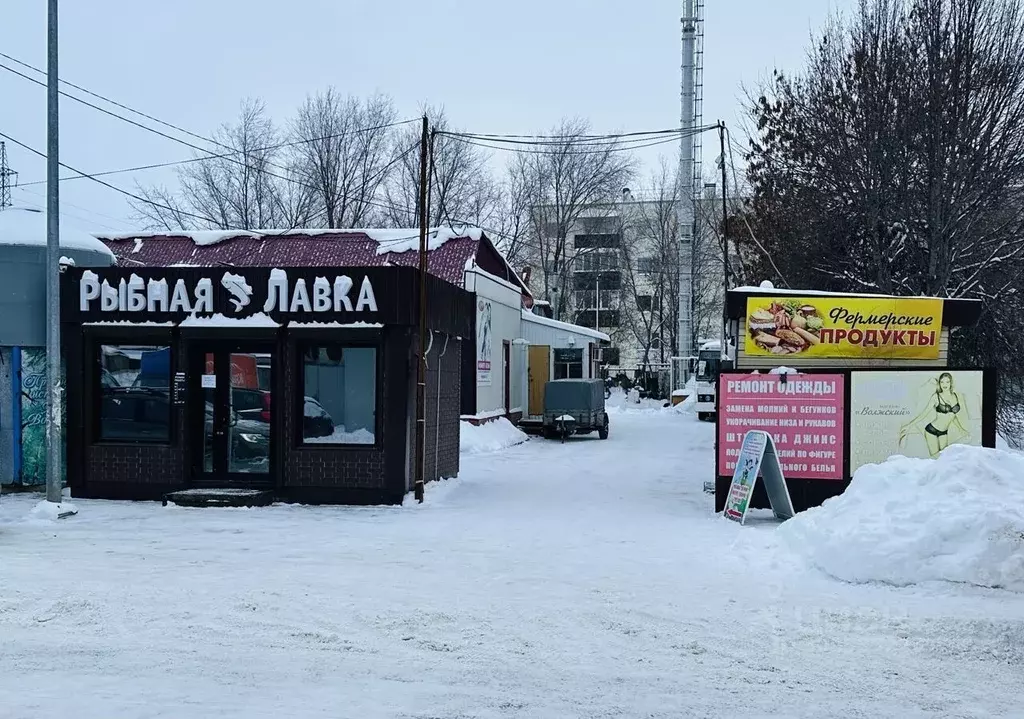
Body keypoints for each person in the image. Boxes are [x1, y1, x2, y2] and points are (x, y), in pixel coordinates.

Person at [898, 372, 970, 457]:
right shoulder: (936, 397)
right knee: (934, 458)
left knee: (944, 457)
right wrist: (909, 425)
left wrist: (961, 429)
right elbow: (924, 414)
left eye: (947, 382)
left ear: (951, 383)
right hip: (931, 430)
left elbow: (953, 416)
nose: (944, 384)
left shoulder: (955, 396)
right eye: (942, 382)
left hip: (944, 432)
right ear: (939, 383)